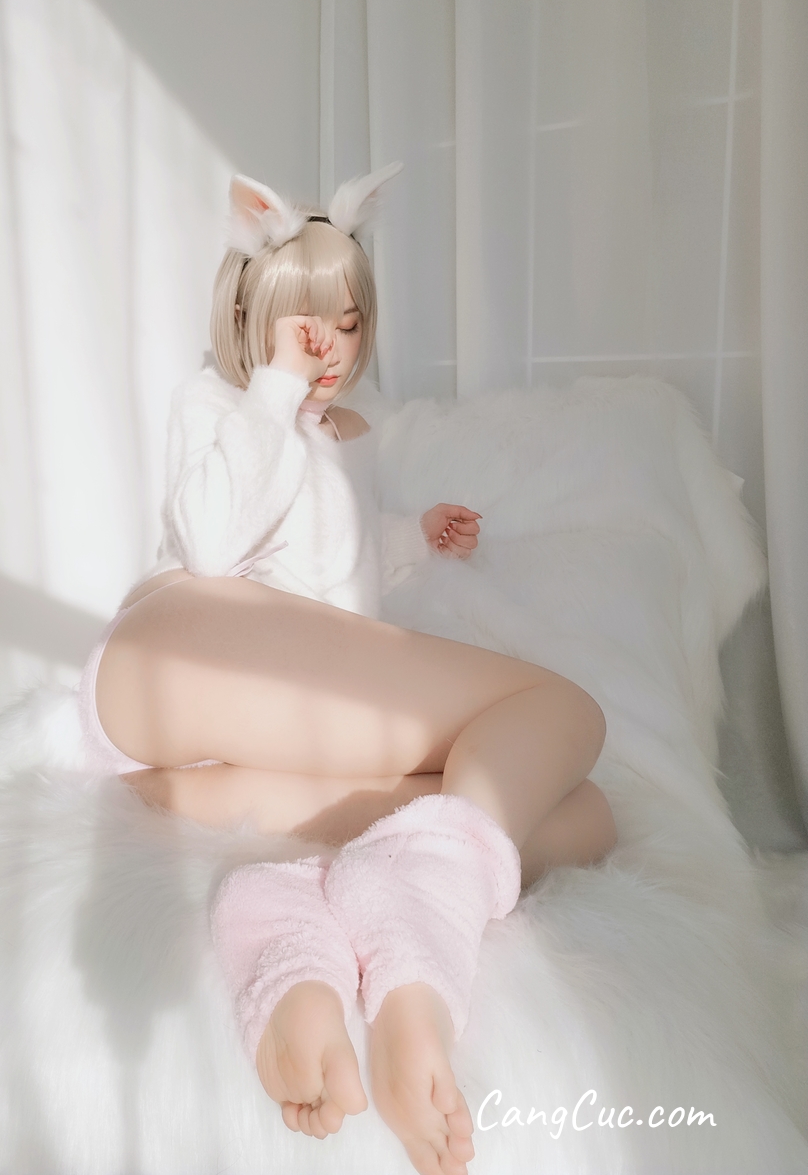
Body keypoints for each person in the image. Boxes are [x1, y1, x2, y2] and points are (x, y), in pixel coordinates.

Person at [77, 164, 617, 1175]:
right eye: (305, 327)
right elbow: (211, 543)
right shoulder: (223, 403)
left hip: (251, 720)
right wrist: (274, 387)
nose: (328, 349)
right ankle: (423, 918)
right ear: (257, 318)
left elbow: (337, 560)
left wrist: (413, 534)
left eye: (348, 326)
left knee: (584, 812)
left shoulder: (351, 434)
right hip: (178, 642)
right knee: (559, 710)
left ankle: (287, 913)